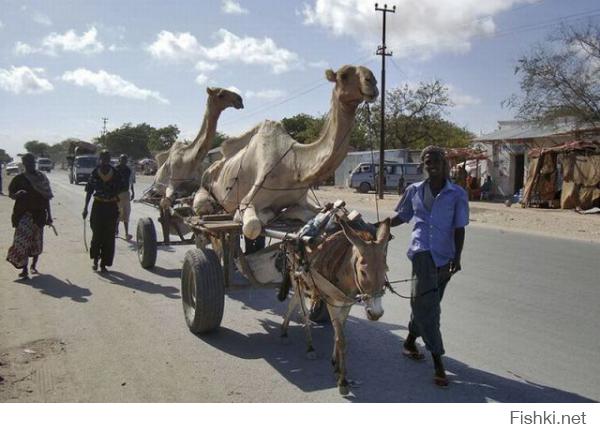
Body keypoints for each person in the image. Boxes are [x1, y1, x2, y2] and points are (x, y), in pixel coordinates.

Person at [389, 145, 469, 387]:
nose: (431, 164)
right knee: (430, 309)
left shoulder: (457, 194)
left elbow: (459, 228)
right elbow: (401, 217)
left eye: (435, 160)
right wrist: (379, 227)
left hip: (445, 256)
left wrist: (457, 257)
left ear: (443, 163)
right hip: (422, 252)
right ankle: (438, 362)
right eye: (427, 161)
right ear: (423, 165)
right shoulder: (413, 190)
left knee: (428, 304)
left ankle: (410, 341)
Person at [6, 153, 53, 279]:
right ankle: (24, 269)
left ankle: (33, 265)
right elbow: (10, 193)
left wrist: (49, 216)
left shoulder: (41, 178)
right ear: (24, 164)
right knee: (22, 242)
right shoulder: (19, 179)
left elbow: (47, 197)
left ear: (35, 163)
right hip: (23, 215)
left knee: (36, 241)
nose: (30, 165)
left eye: (32, 162)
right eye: (27, 163)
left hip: (39, 215)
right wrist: (17, 195)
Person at [82, 150, 122, 272]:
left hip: (111, 207)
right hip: (98, 206)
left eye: (107, 158)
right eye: (103, 158)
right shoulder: (95, 172)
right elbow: (89, 191)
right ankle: (95, 260)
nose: (105, 160)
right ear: (100, 158)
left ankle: (104, 264)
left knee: (109, 237)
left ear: (110, 159)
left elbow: (121, 188)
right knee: (97, 235)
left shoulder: (115, 173)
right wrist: (85, 208)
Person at [114, 154, 135, 240]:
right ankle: (116, 230)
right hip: (118, 194)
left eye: (125, 160)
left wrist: (133, 192)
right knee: (117, 213)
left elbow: (131, 181)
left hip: (126, 193)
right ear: (119, 160)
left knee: (126, 213)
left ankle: (126, 233)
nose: (124, 161)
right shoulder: (115, 169)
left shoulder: (128, 170)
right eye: (122, 159)